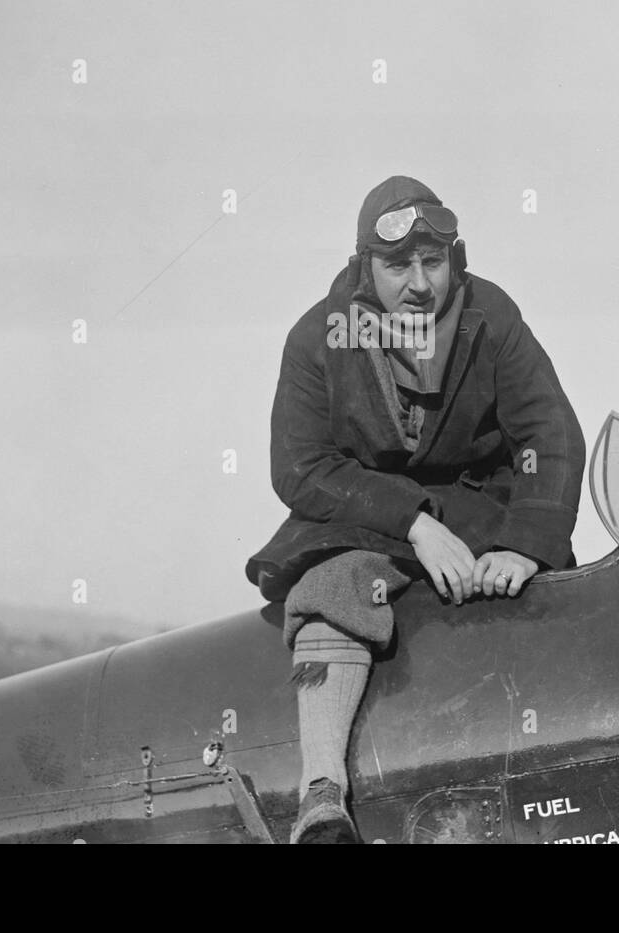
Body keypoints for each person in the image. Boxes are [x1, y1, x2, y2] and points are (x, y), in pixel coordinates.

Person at [245, 175, 585, 843]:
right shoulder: (316, 338)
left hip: (485, 512)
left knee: (536, 598)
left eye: (433, 261)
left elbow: (548, 433)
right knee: (329, 588)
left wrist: (526, 540)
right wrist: (413, 522)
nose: (420, 283)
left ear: (454, 260)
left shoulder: (493, 315)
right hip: (365, 517)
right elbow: (301, 466)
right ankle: (322, 798)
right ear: (363, 268)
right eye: (398, 264)